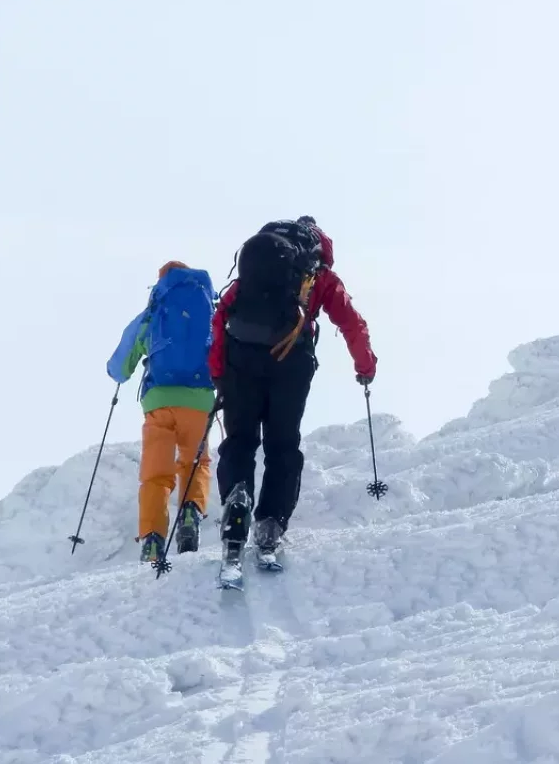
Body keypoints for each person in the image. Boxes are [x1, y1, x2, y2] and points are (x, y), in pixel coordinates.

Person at [209, 216, 376, 562]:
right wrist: (365, 366)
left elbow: (221, 315)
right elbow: (350, 322)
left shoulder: (254, 272)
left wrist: (218, 371)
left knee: (239, 440)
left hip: (241, 358)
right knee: (282, 443)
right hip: (291, 361)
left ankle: (238, 498)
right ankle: (270, 522)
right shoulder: (317, 274)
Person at [106, 261, 218, 565]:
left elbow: (120, 365)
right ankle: (191, 514)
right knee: (195, 462)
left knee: (156, 474)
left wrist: (119, 374)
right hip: (199, 400)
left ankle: (153, 538)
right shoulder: (211, 310)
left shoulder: (155, 310)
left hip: (159, 402)